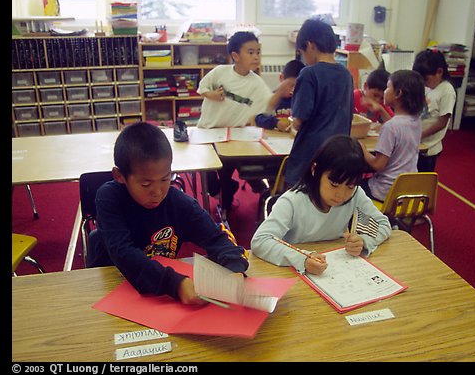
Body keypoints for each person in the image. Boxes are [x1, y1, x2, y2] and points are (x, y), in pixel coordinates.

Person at [87, 122, 249, 305]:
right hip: (111, 286)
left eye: (165, 179)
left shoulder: (178, 203)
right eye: (146, 184)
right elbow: (123, 254)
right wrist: (176, 284)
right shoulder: (109, 197)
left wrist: (235, 269)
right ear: (119, 176)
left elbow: (218, 238)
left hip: (158, 296)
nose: (158, 192)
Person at [251, 134, 392, 275]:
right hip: (295, 272)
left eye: (350, 186)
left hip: (334, 269)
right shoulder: (292, 202)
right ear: (315, 170)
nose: (341, 195)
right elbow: (260, 241)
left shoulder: (355, 194)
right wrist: (302, 259)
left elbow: (383, 224)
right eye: (334, 184)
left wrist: (364, 241)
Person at [197, 31, 294, 214]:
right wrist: (212, 95)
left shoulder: (256, 83)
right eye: (250, 52)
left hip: (232, 137)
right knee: (207, 172)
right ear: (235, 56)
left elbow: (268, 104)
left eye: (258, 52)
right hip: (208, 130)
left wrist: (281, 90)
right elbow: (202, 88)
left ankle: (225, 207)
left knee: (226, 170)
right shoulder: (220, 72)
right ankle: (222, 191)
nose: (256, 56)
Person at [284, 18, 354, 187]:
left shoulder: (308, 73)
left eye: (302, 52)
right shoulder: (346, 75)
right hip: (338, 154)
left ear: (310, 45)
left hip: (311, 155)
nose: (304, 58)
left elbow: (300, 119)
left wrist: (292, 123)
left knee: (301, 201)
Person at [360, 70, 426, 202]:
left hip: (384, 191)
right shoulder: (416, 122)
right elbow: (396, 126)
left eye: (388, 87)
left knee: (353, 185)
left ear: (398, 93)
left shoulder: (390, 127)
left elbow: (378, 165)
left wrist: (362, 149)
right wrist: (380, 109)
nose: (385, 91)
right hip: (406, 191)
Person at [412, 49, 457, 172]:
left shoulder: (447, 91)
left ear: (439, 72)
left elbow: (442, 123)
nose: (424, 83)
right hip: (417, 142)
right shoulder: (428, 87)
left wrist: (420, 134)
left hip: (429, 147)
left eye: (426, 79)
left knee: (422, 181)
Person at [255, 59, 305, 132]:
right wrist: (276, 123)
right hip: (274, 138)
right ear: (281, 78)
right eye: (291, 85)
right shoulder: (272, 98)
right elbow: (259, 118)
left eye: (298, 87)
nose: (293, 90)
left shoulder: (301, 101)